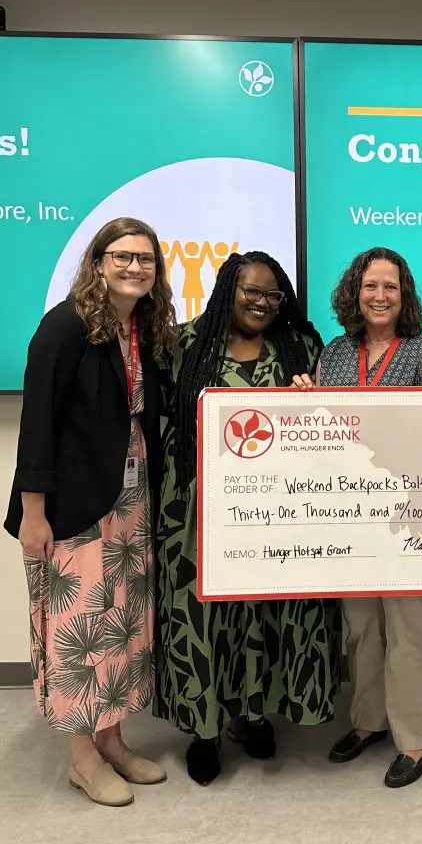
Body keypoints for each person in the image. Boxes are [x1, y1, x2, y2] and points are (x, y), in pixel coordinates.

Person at [4, 217, 178, 807]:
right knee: (76, 631)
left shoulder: (142, 328)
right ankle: (81, 757)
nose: (135, 267)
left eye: (146, 259)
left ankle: (113, 741)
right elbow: (37, 425)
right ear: (98, 261)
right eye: (123, 256)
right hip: (71, 508)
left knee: (123, 623)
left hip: (129, 501)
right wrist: (34, 513)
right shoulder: (65, 327)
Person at [154, 251, 341, 785]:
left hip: (277, 510)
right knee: (204, 617)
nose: (260, 303)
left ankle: (251, 715)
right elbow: (159, 418)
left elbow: (325, 422)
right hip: (195, 510)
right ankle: (205, 729)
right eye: (249, 292)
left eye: (270, 294)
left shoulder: (301, 346)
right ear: (226, 292)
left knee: (262, 616)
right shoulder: (185, 343)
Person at [294, 246, 422, 788]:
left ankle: (418, 737)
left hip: (407, 515)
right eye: (370, 286)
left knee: (409, 627)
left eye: (390, 287)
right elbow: (320, 431)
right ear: (354, 294)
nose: (380, 296)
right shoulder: (335, 353)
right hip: (350, 515)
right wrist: (303, 404)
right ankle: (369, 723)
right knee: (361, 626)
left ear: (403, 294)